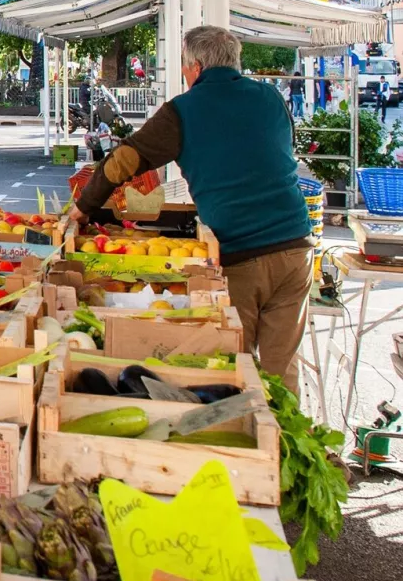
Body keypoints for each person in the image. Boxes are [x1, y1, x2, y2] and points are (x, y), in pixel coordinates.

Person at [69, 26, 313, 387]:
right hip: (296, 247)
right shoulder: (270, 98)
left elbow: (123, 162)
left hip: (240, 254)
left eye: (184, 66)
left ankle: (248, 438)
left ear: (195, 67)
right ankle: (285, 435)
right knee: (282, 369)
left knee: (235, 366)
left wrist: (83, 207)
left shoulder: (182, 111)